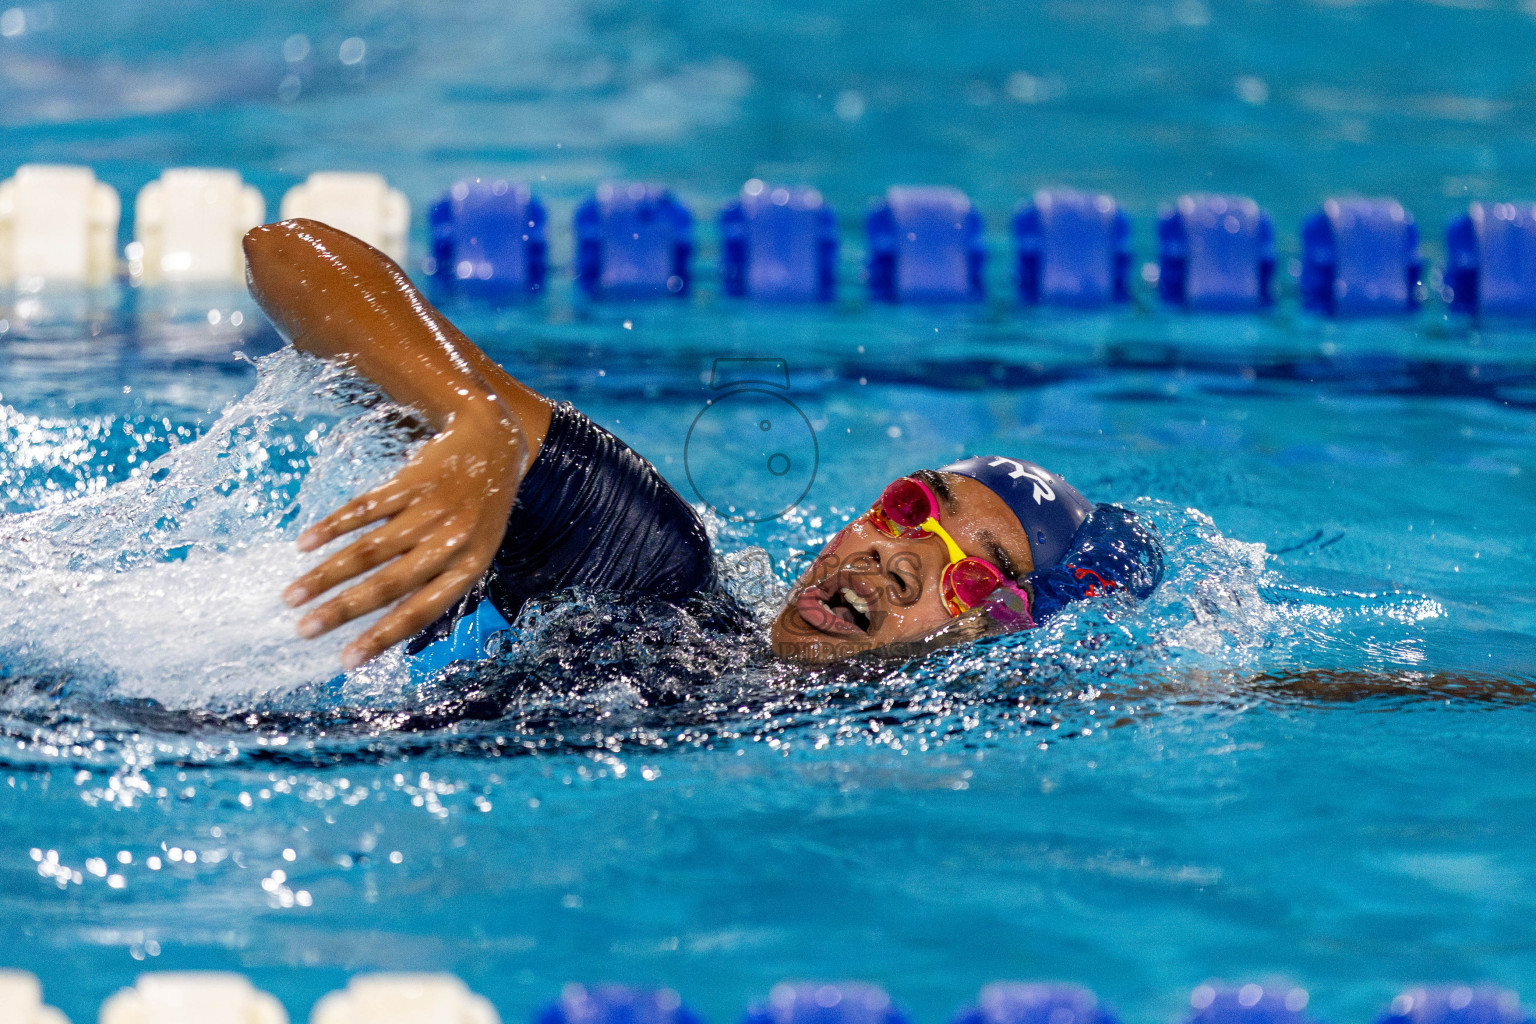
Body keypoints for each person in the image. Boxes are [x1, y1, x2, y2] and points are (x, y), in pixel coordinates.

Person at [243, 219, 1163, 671]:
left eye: (976, 568)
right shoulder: (649, 574)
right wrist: (475, 424)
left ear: (997, 632)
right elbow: (288, 254)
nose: (897, 556)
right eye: (913, 507)